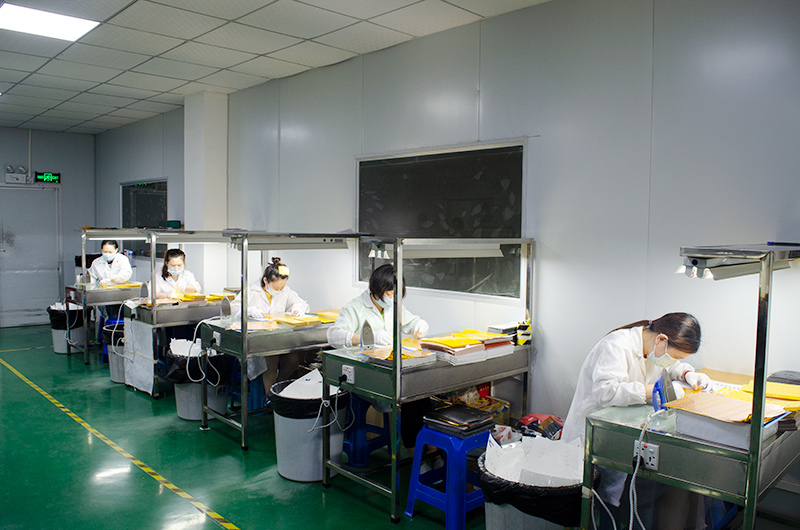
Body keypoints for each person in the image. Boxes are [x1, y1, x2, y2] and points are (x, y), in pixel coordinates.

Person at [561, 312, 711, 529]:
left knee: (672, 490)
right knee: (605, 507)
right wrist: (652, 390)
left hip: (622, 435)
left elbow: (670, 366)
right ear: (661, 339)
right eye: (676, 356)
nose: (674, 360)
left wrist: (687, 373)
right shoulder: (616, 346)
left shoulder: (654, 348)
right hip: (595, 438)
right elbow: (606, 392)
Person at [327, 263, 430, 449]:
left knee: (421, 393)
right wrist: (366, 338)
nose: (392, 299)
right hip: (366, 373)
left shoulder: (393, 306)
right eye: (389, 294)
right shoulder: (355, 308)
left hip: (388, 369)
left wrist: (419, 325)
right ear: (375, 290)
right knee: (409, 397)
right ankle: (416, 452)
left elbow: (412, 321)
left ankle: (424, 451)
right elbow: (333, 336)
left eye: (396, 294)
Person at [231, 257, 309, 399]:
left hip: (279, 338)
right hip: (259, 341)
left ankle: (278, 389)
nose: (279, 290)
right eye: (276, 287)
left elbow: (300, 302)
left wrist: (298, 308)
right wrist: (250, 311)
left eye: (282, 287)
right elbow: (235, 310)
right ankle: (271, 398)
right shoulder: (251, 291)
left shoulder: (285, 291)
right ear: (265, 281)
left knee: (293, 362)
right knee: (270, 363)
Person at [88, 240, 133, 321]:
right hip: (105, 296)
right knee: (110, 311)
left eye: (110, 252)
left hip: (121, 294)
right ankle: (111, 327)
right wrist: (91, 288)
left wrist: (111, 280)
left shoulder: (122, 259)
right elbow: (92, 277)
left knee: (119, 313)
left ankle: (116, 327)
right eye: (105, 252)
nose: (107, 254)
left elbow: (125, 275)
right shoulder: (97, 262)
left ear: (116, 250)